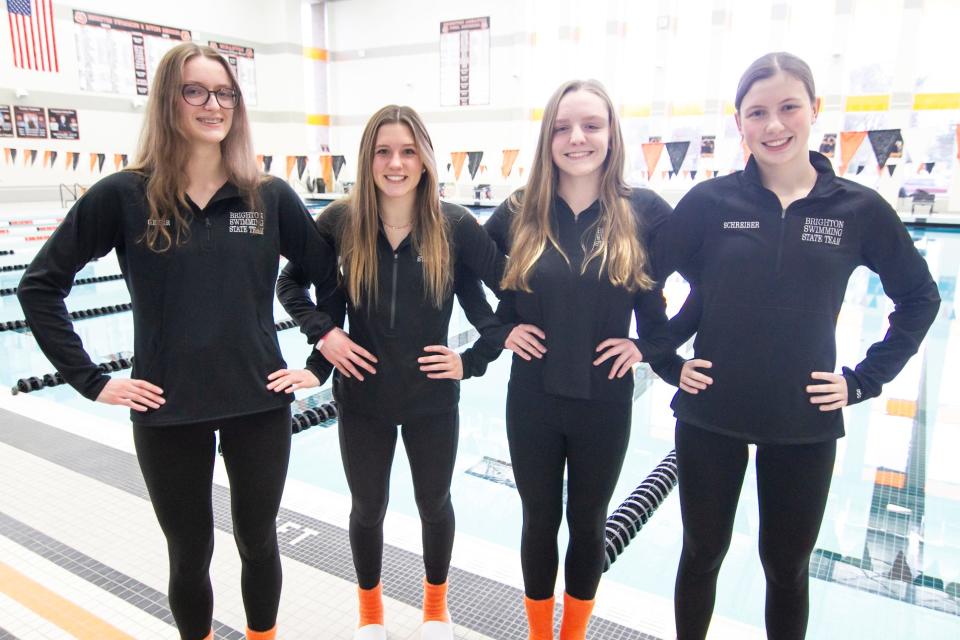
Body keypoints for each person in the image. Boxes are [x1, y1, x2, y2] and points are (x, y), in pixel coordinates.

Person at [17, 43, 336, 640]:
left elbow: (335, 280)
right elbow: (40, 286)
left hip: (259, 402)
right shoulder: (125, 195)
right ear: (169, 99)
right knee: (189, 553)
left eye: (224, 92)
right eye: (196, 90)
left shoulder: (267, 196)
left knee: (258, 542)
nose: (213, 104)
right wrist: (91, 380)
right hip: (167, 410)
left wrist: (318, 364)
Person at [651, 52, 940, 640]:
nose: (774, 125)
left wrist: (863, 380)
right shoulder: (711, 203)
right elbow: (642, 278)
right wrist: (665, 361)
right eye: (757, 113)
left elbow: (919, 298)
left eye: (788, 108)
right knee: (702, 554)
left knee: (785, 567)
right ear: (740, 124)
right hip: (712, 413)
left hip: (804, 419)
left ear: (815, 111)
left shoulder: (857, 209)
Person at [270, 105, 506, 640]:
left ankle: (435, 612)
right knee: (368, 507)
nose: (395, 163)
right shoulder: (340, 221)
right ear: (368, 158)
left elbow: (500, 303)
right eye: (383, 151)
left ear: (424, 159)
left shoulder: (454, 226)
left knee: (433, 504)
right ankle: (371, 617)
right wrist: (325, 336)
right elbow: (291, 286)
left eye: (407, 151)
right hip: (364, 399)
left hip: (431, 401)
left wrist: (470, 362)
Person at [482, 79, 673, 640]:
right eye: (563, 127)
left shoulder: (646, 213)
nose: (577, 138)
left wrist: (649, 347)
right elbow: (465, 275)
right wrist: (499, 329)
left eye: (591, 125)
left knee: (589, 526)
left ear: (612, 134)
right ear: (548, 138)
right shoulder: (519, 211)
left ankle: (575, 634)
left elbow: (693, 294)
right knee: (539, 521)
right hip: (533, 398)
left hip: (605, 402)